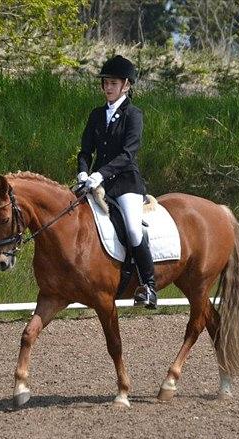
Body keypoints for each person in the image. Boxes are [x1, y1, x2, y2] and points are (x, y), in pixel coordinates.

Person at [77, 55, 157, 309]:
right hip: (96, 183)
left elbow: (127, 154)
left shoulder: (134, 115)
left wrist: (99, 174)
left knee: (133, 228)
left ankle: (149, 285)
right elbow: (85, 151)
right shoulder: (96, 114)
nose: (108, 87)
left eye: (113, 83)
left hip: (126, 183)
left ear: (126, 85)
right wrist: (82, 172)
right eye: (106, 83)